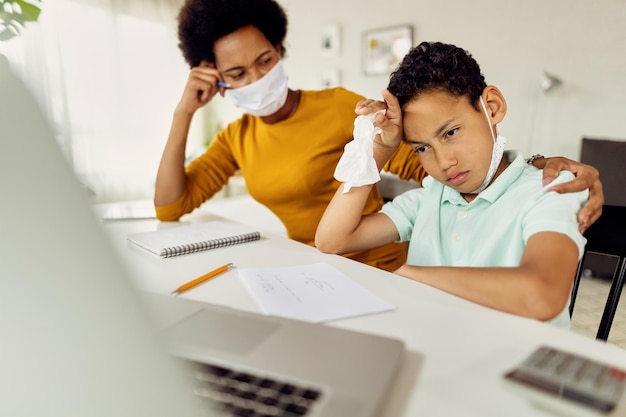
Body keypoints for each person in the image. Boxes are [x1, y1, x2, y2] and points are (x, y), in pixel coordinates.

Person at [155, 0, 602, 273]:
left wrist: (534, 165)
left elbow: (432, 160)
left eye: (265, 60)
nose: (257, 76)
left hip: (385, 265)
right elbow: (171, 206)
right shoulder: (237, 137)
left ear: (281, 51)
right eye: (237, 73)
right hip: (316, 265)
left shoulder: (338, 107)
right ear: (218, 82)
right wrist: (183, 114)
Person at [315, 42, 588, 328]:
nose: (444, 162)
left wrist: (414, 276)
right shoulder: (428, 198)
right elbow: (332, 240)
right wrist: (381, 148)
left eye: (451, 132)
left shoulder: (550, 189)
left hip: (517, 365)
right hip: (437, 350)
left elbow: (542, 295)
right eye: (421, 148)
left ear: (491, 107)